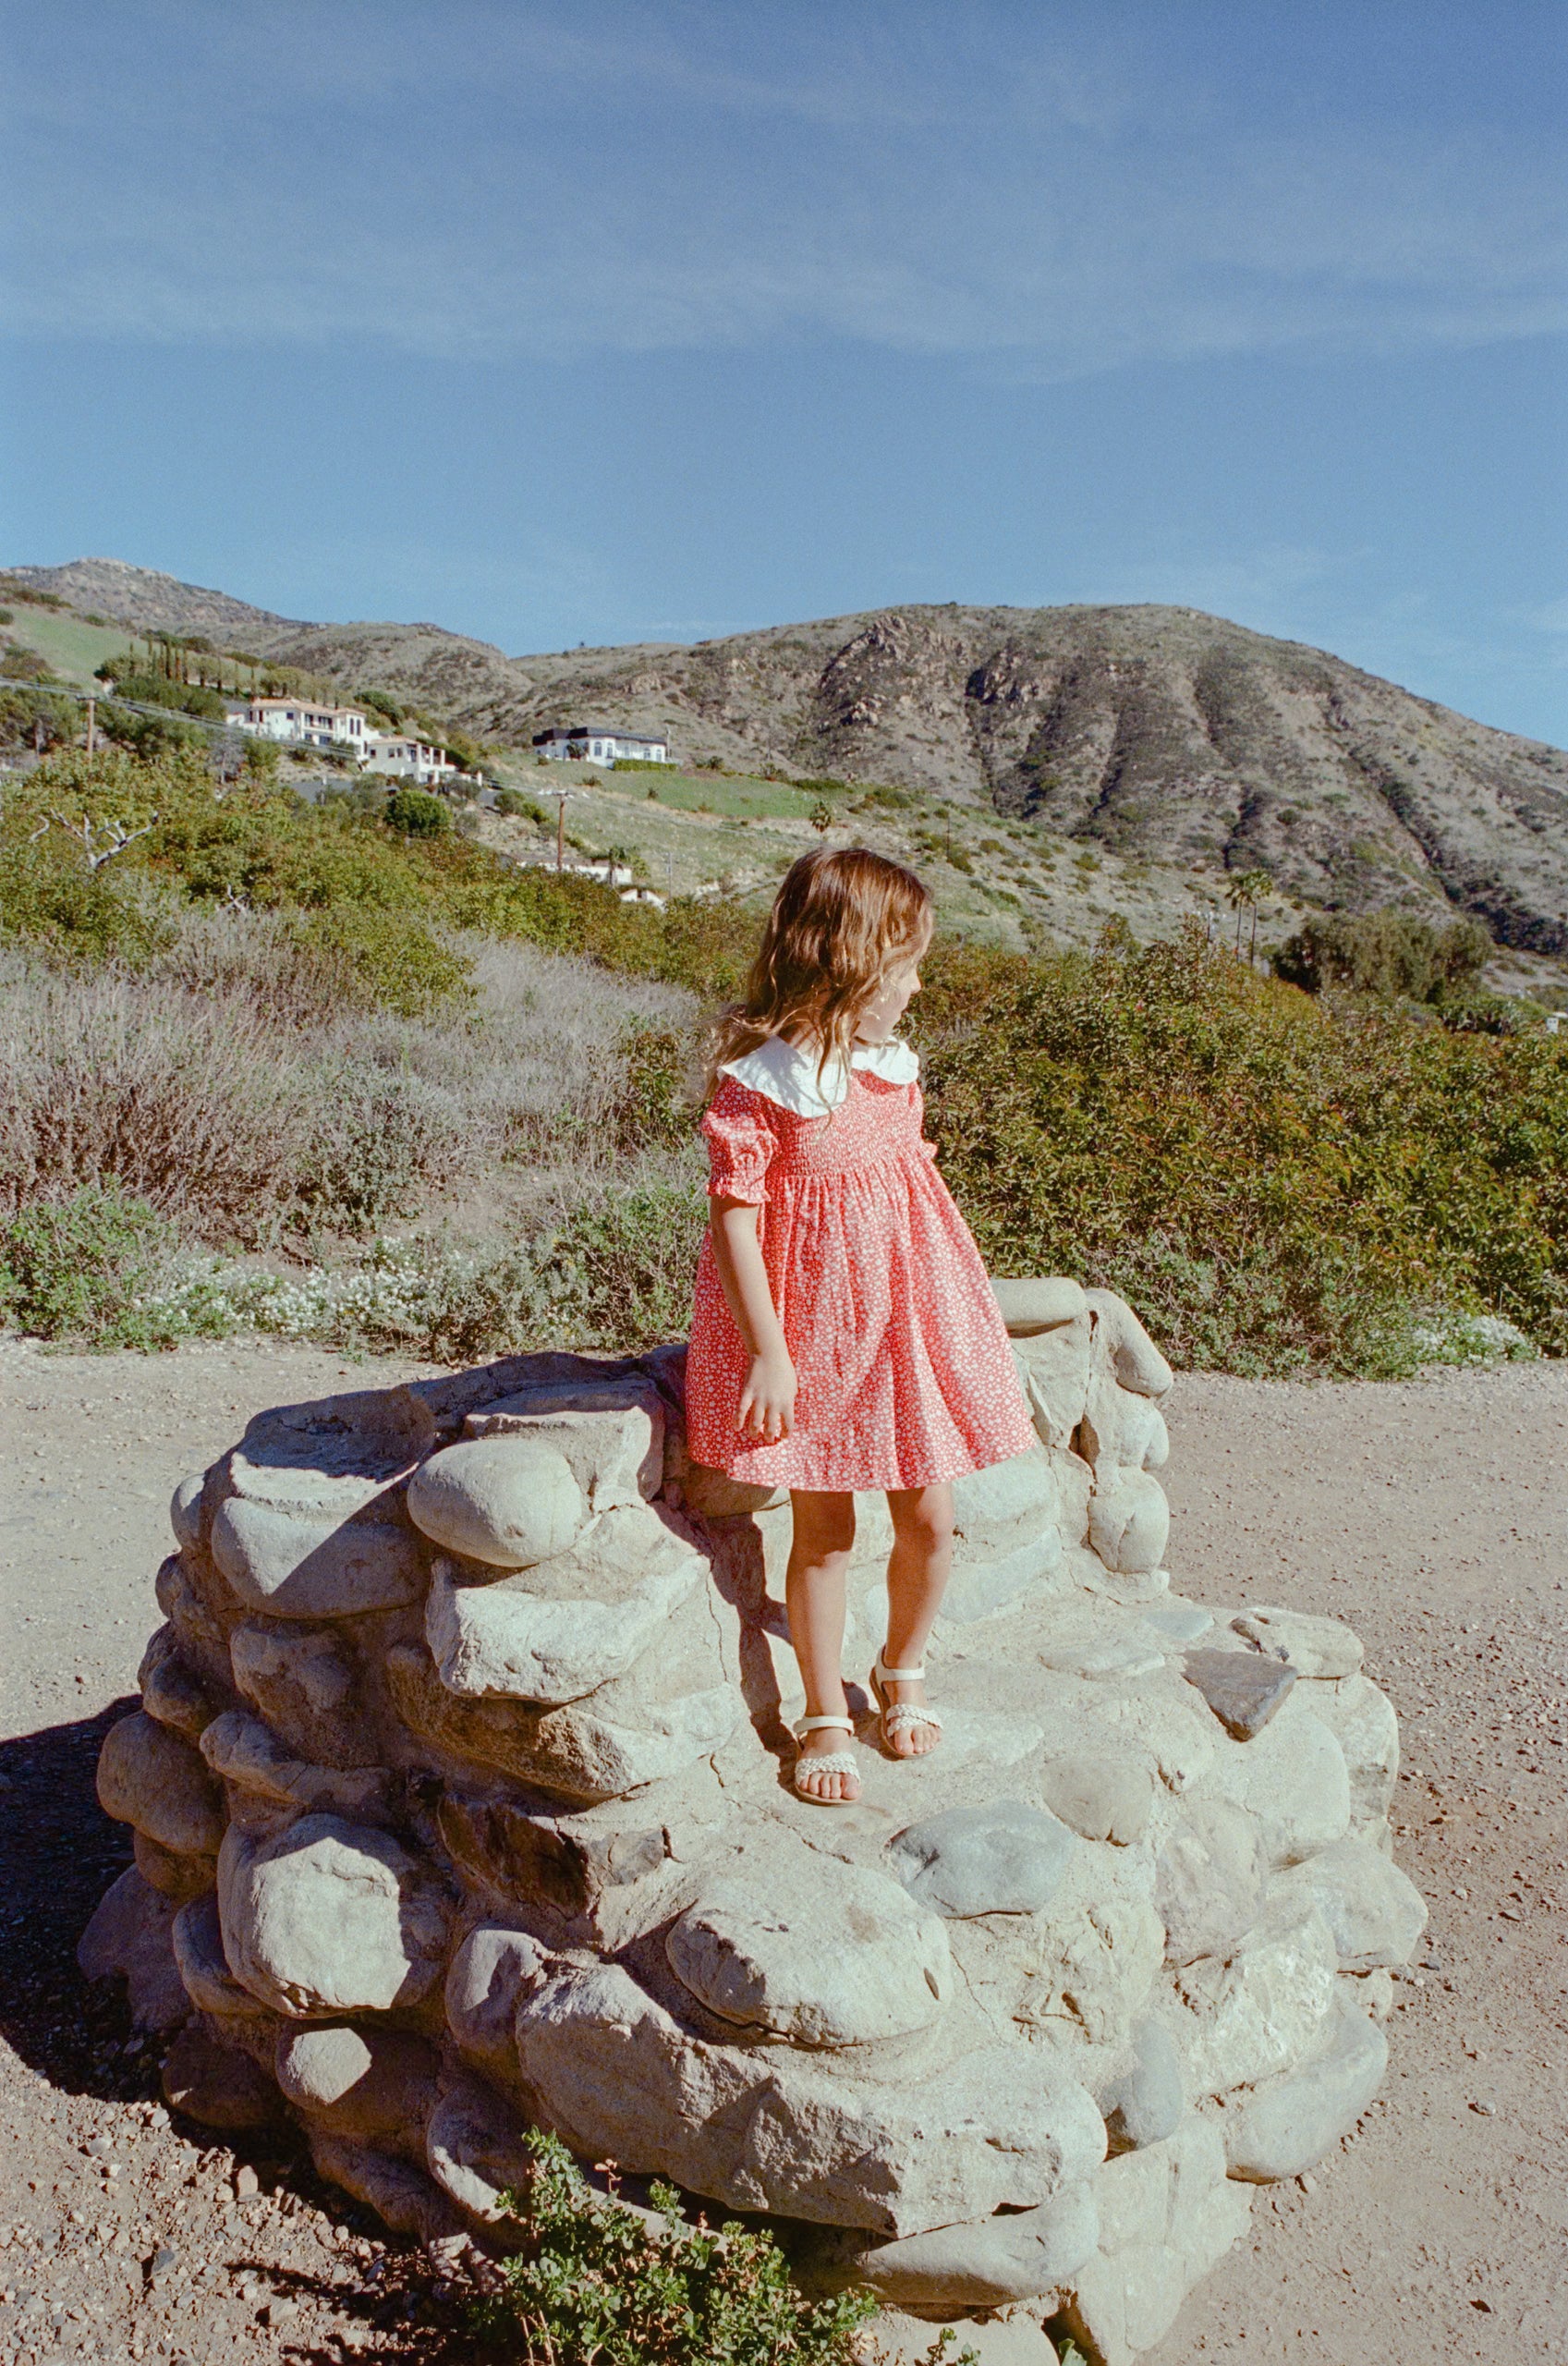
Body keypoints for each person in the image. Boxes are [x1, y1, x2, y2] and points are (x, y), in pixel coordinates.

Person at [686, 846, 1036, 1806]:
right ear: (848, 961)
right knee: (824, 1527)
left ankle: (900, 1666)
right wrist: (766, 1348)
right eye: (906, 962)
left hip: (903, 1319)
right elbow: (735, 1214)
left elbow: (907, 1189)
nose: (918, 982)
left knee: (929, 1511)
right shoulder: (759, 1082)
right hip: (810, 1330)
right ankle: (821, 1710)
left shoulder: (892, 1068)